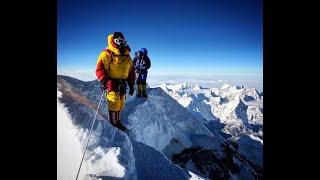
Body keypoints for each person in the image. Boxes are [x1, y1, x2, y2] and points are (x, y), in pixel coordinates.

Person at [95, 32, 135, 132]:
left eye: (122, 41)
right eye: (118, 41)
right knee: (114, 103)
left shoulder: (127, 56)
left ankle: (118, 121)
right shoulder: (107, 53)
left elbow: (131, 71)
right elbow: (100, 68)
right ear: (113, 41)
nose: (120, 43)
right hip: (111, 82)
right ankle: (114, 124)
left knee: (121, 103)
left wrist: (131, 84)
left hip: (123, 83)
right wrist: (103, 79)